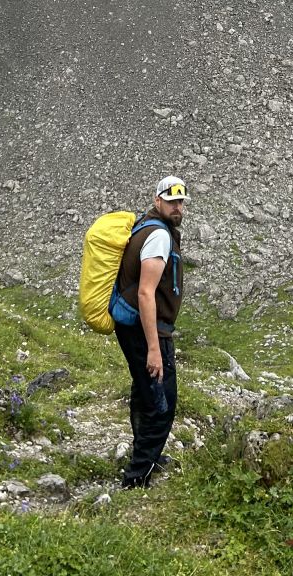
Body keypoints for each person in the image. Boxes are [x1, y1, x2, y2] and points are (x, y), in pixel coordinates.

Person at [112, 174, 187, 488]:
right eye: (170, 201)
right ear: (158, 200)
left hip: (132, 327)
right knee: (162, 403)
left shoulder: (145, 226)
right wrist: (155, 348)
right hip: (148, 329)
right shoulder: (158, 235)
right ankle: (136, 476)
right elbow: (146, 292)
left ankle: (147, 456)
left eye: (180, 201)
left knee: (144, 392)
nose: (177, 207)